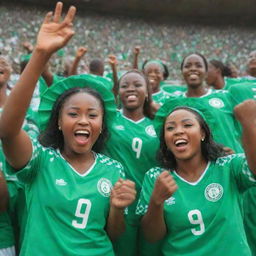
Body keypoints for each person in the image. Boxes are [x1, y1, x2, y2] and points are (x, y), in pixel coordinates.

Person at [0, 3, 136, 255]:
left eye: (92, 115)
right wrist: (40, 54)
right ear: (59, 122)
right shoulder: (40, 160)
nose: (84, 120)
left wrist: (117, 208)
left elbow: (114, 233)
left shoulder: (113, 168)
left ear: (101, 125)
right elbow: (7, 132)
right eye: (73, 114)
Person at [137, 101, 256, 256]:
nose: (178, 131)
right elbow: (151, 237)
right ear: (165, 140)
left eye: (187, 125)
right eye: (170, 128)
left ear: (203, 133)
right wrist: (156, 202)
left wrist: (249, 125)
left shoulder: (227, 166)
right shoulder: (156, 177)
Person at [102, 69, 161, 256]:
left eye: (137, 85)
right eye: (124, 86)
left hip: (151, 206)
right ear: (118, 92)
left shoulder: (158, 126)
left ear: (147, 92)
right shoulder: (108, 120)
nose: (130, 89)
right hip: (117, 206)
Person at [165, 53, 243, 154]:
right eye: (187, 66)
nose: (193, 69)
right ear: (182, 72)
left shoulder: (225, 96)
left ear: (206, 72)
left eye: (198, 65)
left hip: (232, 163)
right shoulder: (173, 102)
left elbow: (243, 130)